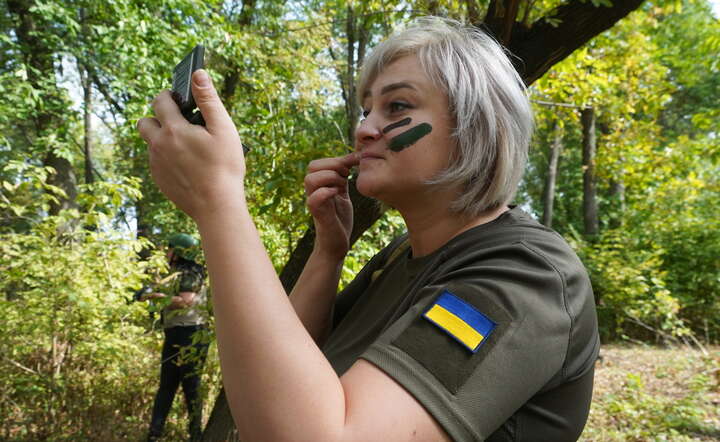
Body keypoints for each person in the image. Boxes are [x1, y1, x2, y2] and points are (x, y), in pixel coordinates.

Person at [137, 16, 599, 442]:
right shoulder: (400, 258)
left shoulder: (523, 275)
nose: (364, 130)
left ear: (477, 125)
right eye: (366, 111)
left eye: (397, 105)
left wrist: (219, 201)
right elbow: (274, 383)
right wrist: (327, 254)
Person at [140, 233, 209, 442]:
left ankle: (196, 436)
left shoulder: (191, 273)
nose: (166, 253)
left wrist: (153, 296)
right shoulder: (175, 273)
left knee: (191, 386)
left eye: (170, 248)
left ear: (178, 252)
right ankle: (154, 433)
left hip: (191, 333)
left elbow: (184, 301)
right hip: (174, 333)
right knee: (167, 385)